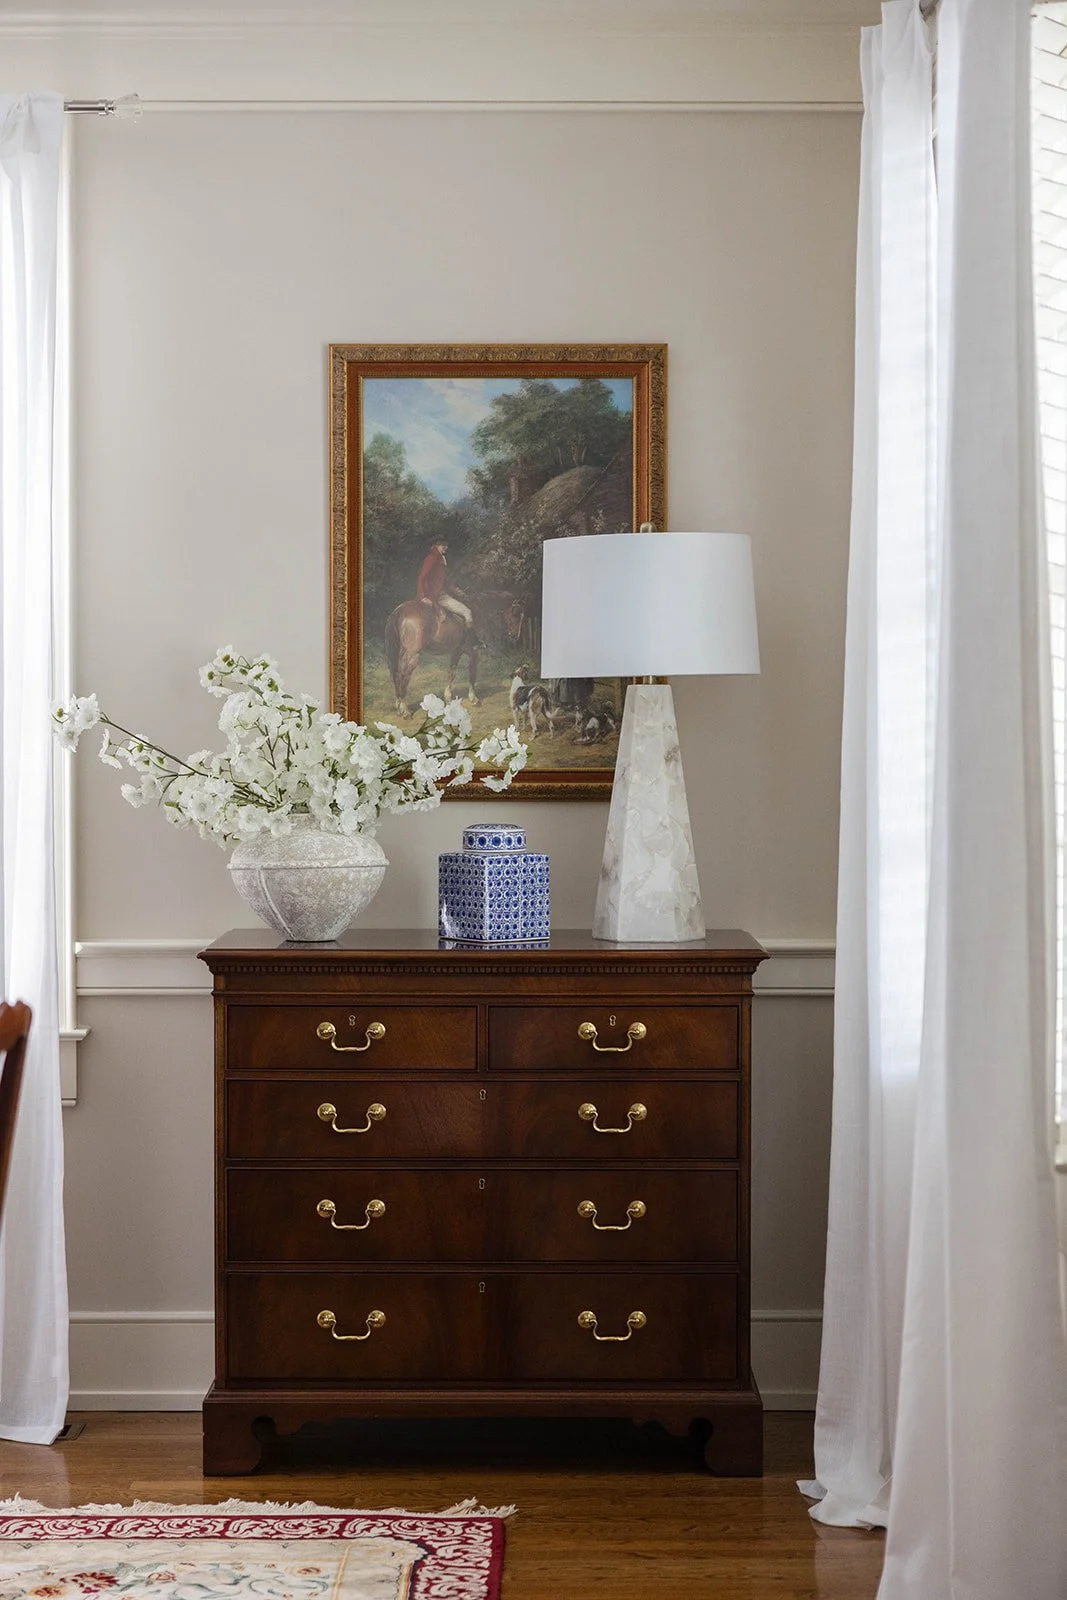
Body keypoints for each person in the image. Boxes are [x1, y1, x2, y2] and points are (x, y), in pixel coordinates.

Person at [416, 540, 479, 637]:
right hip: (438, 596)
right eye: (443, 545)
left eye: (446, 545)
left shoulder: (439, 558)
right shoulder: (433, 558)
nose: (446, 547)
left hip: (438, 594)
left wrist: (455, 590)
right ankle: (472, 641)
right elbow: (422, 576)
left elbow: (442, 580)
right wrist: (422, 596)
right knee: (467, 612)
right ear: (436, 545)